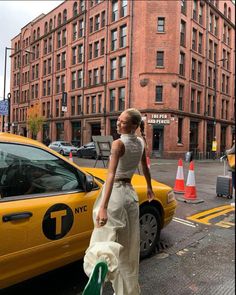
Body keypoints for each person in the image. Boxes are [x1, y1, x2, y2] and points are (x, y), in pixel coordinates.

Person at [82, 108, 155, 295]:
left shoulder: (117, 144)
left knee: (104, 234)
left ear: (134, 125)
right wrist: (149, 187)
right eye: (118, 120)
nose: (118, 123)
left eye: (122, 122)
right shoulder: (140, 141)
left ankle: (98, 269)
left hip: (114, 194)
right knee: (128, 246)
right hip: (130, 196)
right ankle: (126, 291)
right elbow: (145, 168)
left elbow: (111, 174)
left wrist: (104, 207)